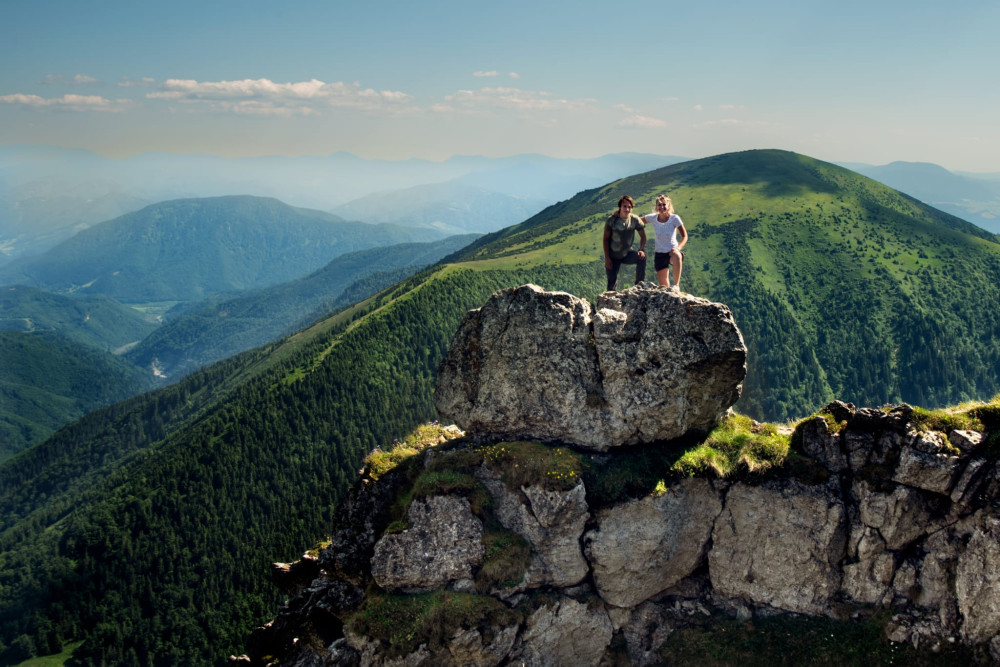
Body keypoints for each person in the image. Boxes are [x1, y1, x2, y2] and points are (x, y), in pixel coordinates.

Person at [643, 194, 687, 292]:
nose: (662, 207)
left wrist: (678, 248)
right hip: (659, 254)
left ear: (668, 206)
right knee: (664, 288)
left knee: (677, 255)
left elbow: (685, 236)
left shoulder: (674, 218)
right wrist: (620, 214)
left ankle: (676, 285)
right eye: (659, 205)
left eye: (664, 205)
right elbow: (637, 220)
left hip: (672, 252)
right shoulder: (653, 218)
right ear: (656, 206)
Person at [603, 195, 647, 291]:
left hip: (627, 253)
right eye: (624, 206)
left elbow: (643, 236)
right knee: (611, 285)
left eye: (629, 207)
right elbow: (605, 239)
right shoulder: (612, 220)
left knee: (641, 257)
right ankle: (610, 302)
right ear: (620, 207)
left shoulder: (635, 220)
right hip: (613, 256)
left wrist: (641, 249)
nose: (627, 209)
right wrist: (607, 258)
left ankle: (639, 287)